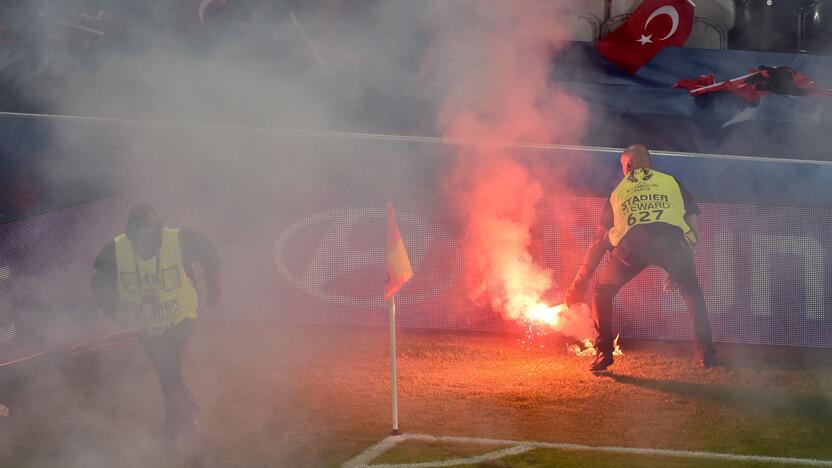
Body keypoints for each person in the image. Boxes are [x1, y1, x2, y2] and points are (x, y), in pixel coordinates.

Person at [564, 144, 716, 372]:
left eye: (623, 167)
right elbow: (693, 227)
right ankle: (705, 354)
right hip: (672, 243)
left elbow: (598, 241)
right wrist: (679, 266)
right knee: (692, 293)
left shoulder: (619, 192)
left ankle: (603, 353)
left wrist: (579, 283)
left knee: (602, 293)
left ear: (629, 165)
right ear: (649, 163)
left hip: (632, 244)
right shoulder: (671, 182)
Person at [91, 203, 221, 453]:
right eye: (138, 229)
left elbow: (208, 253)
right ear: (129, 230)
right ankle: (190, 406)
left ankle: (175, 429)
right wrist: (116, 311)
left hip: (181, 316)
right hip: (146, 324)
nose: (143, 234)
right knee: (167, 372)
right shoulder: (116, 250)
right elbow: (98, 281)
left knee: (168, 369)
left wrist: (214, 284)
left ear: (158, 226)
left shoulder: (178, 238)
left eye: (149, 227)